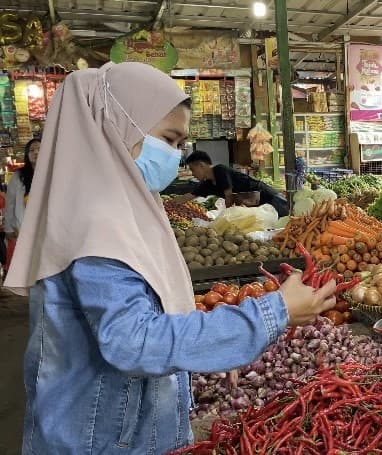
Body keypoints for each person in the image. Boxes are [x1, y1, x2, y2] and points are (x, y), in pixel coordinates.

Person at [4, 62, 336, 454]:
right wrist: (272, 313)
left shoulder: (117, 207)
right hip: (102, 441)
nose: (177, 157)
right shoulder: (98, 223)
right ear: (119, 127)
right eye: (170, 139)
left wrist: (213, 346)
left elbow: (145, 317)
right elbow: (132, 342)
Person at [173, 151, 289, 216]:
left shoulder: (219, 170)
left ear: (201, 165)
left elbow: (228, 195)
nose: (193, 174)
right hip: (256, 205)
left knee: (286, 222)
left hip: (268, 197)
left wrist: (228, 216)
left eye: (193, 169)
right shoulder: (208, 184)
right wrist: (168, 205)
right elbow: (189, 196)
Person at [4, 138, 40, 273]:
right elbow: (10, 204)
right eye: (32, 150)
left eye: (39, 149)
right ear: (27, 154)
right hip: (26, 229)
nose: (36, 152)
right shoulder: (18, 177)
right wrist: (8, 228)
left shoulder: (54, 174)